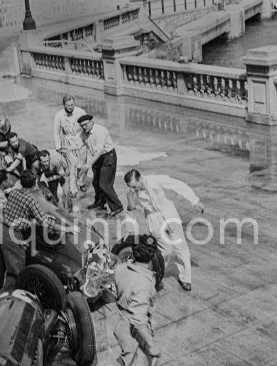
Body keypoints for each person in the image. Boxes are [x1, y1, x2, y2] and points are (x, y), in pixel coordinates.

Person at [0, 169, 78, 302]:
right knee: (16, 272)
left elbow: (18, 211)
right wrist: (67, 227)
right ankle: (5, 303)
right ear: (35, 184)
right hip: (12, 235)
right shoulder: (31, 200)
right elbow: (45, 222)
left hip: (1, 230)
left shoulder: (13, 192)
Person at [123, 169, 204, 291]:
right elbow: (130, 210)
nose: (133, 189)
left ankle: (185, 278)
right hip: (154, 220)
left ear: (140, 179)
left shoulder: (154, 180)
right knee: (165, 251)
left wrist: (195, 200)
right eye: (130, 187)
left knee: (181, 247)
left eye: (134, 186)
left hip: (169, 214)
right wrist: (129, 230)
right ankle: (156, 276)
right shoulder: (132, 192)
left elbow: (177, 185)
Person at [114, 238, 161, 366]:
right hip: (134, 328)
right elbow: (138, 320)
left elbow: (115, 290)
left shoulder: (120, 268)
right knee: (139, 357)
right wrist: (152, 345)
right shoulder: (144, 283)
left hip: (121, 322)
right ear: (153, 256)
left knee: (129, 354)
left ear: (133, 253)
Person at [77, 114, 123, 218]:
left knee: (105, 185)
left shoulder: (100, 131)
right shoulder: (84, 133)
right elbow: (82, 147)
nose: (84, 127)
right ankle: (99, 203)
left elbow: (100, 150)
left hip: (107, 157)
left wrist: (88, 165)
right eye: (82, 125)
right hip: (96, 158)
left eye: (86, 124)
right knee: (96, 182)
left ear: (91, 122)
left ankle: (117, 207)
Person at [53, 95, 87, 197]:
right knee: (72, 166)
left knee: (82, 164)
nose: (70, 107)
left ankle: (82, 182)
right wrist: (58, 147)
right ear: (64, 105)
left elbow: (87, 127)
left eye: (72, 104)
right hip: (68, 143)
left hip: (80, 140)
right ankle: (73, 189)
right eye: (68, 105)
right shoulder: (59, 115)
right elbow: (56, 132)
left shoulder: (81, 112)